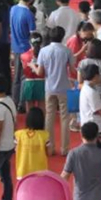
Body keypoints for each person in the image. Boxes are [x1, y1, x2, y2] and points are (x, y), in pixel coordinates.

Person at [34, 26, 77, 155]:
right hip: (64, 87)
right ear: (63, 37)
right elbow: (73, 70)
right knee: (65, 117)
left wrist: (32, 66)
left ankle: (50, 147)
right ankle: (65, 148)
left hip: (49, 87)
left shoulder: (43, 51)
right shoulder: (67, 51)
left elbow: (40, 72)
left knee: (49, 116)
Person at [11, 0, 39, 104]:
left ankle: (15, 101)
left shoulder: (13, 9)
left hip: (15, 48)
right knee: (25, 78)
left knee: (16, 78)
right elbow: (33, 37)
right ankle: (22, 103)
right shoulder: (29, 14)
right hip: (26, 51)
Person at [15, 107, 51, 179]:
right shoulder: (45, 135)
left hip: (23, 171)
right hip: (40, 172)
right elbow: (48, 152)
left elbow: (16, 149)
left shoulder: (19, 134)